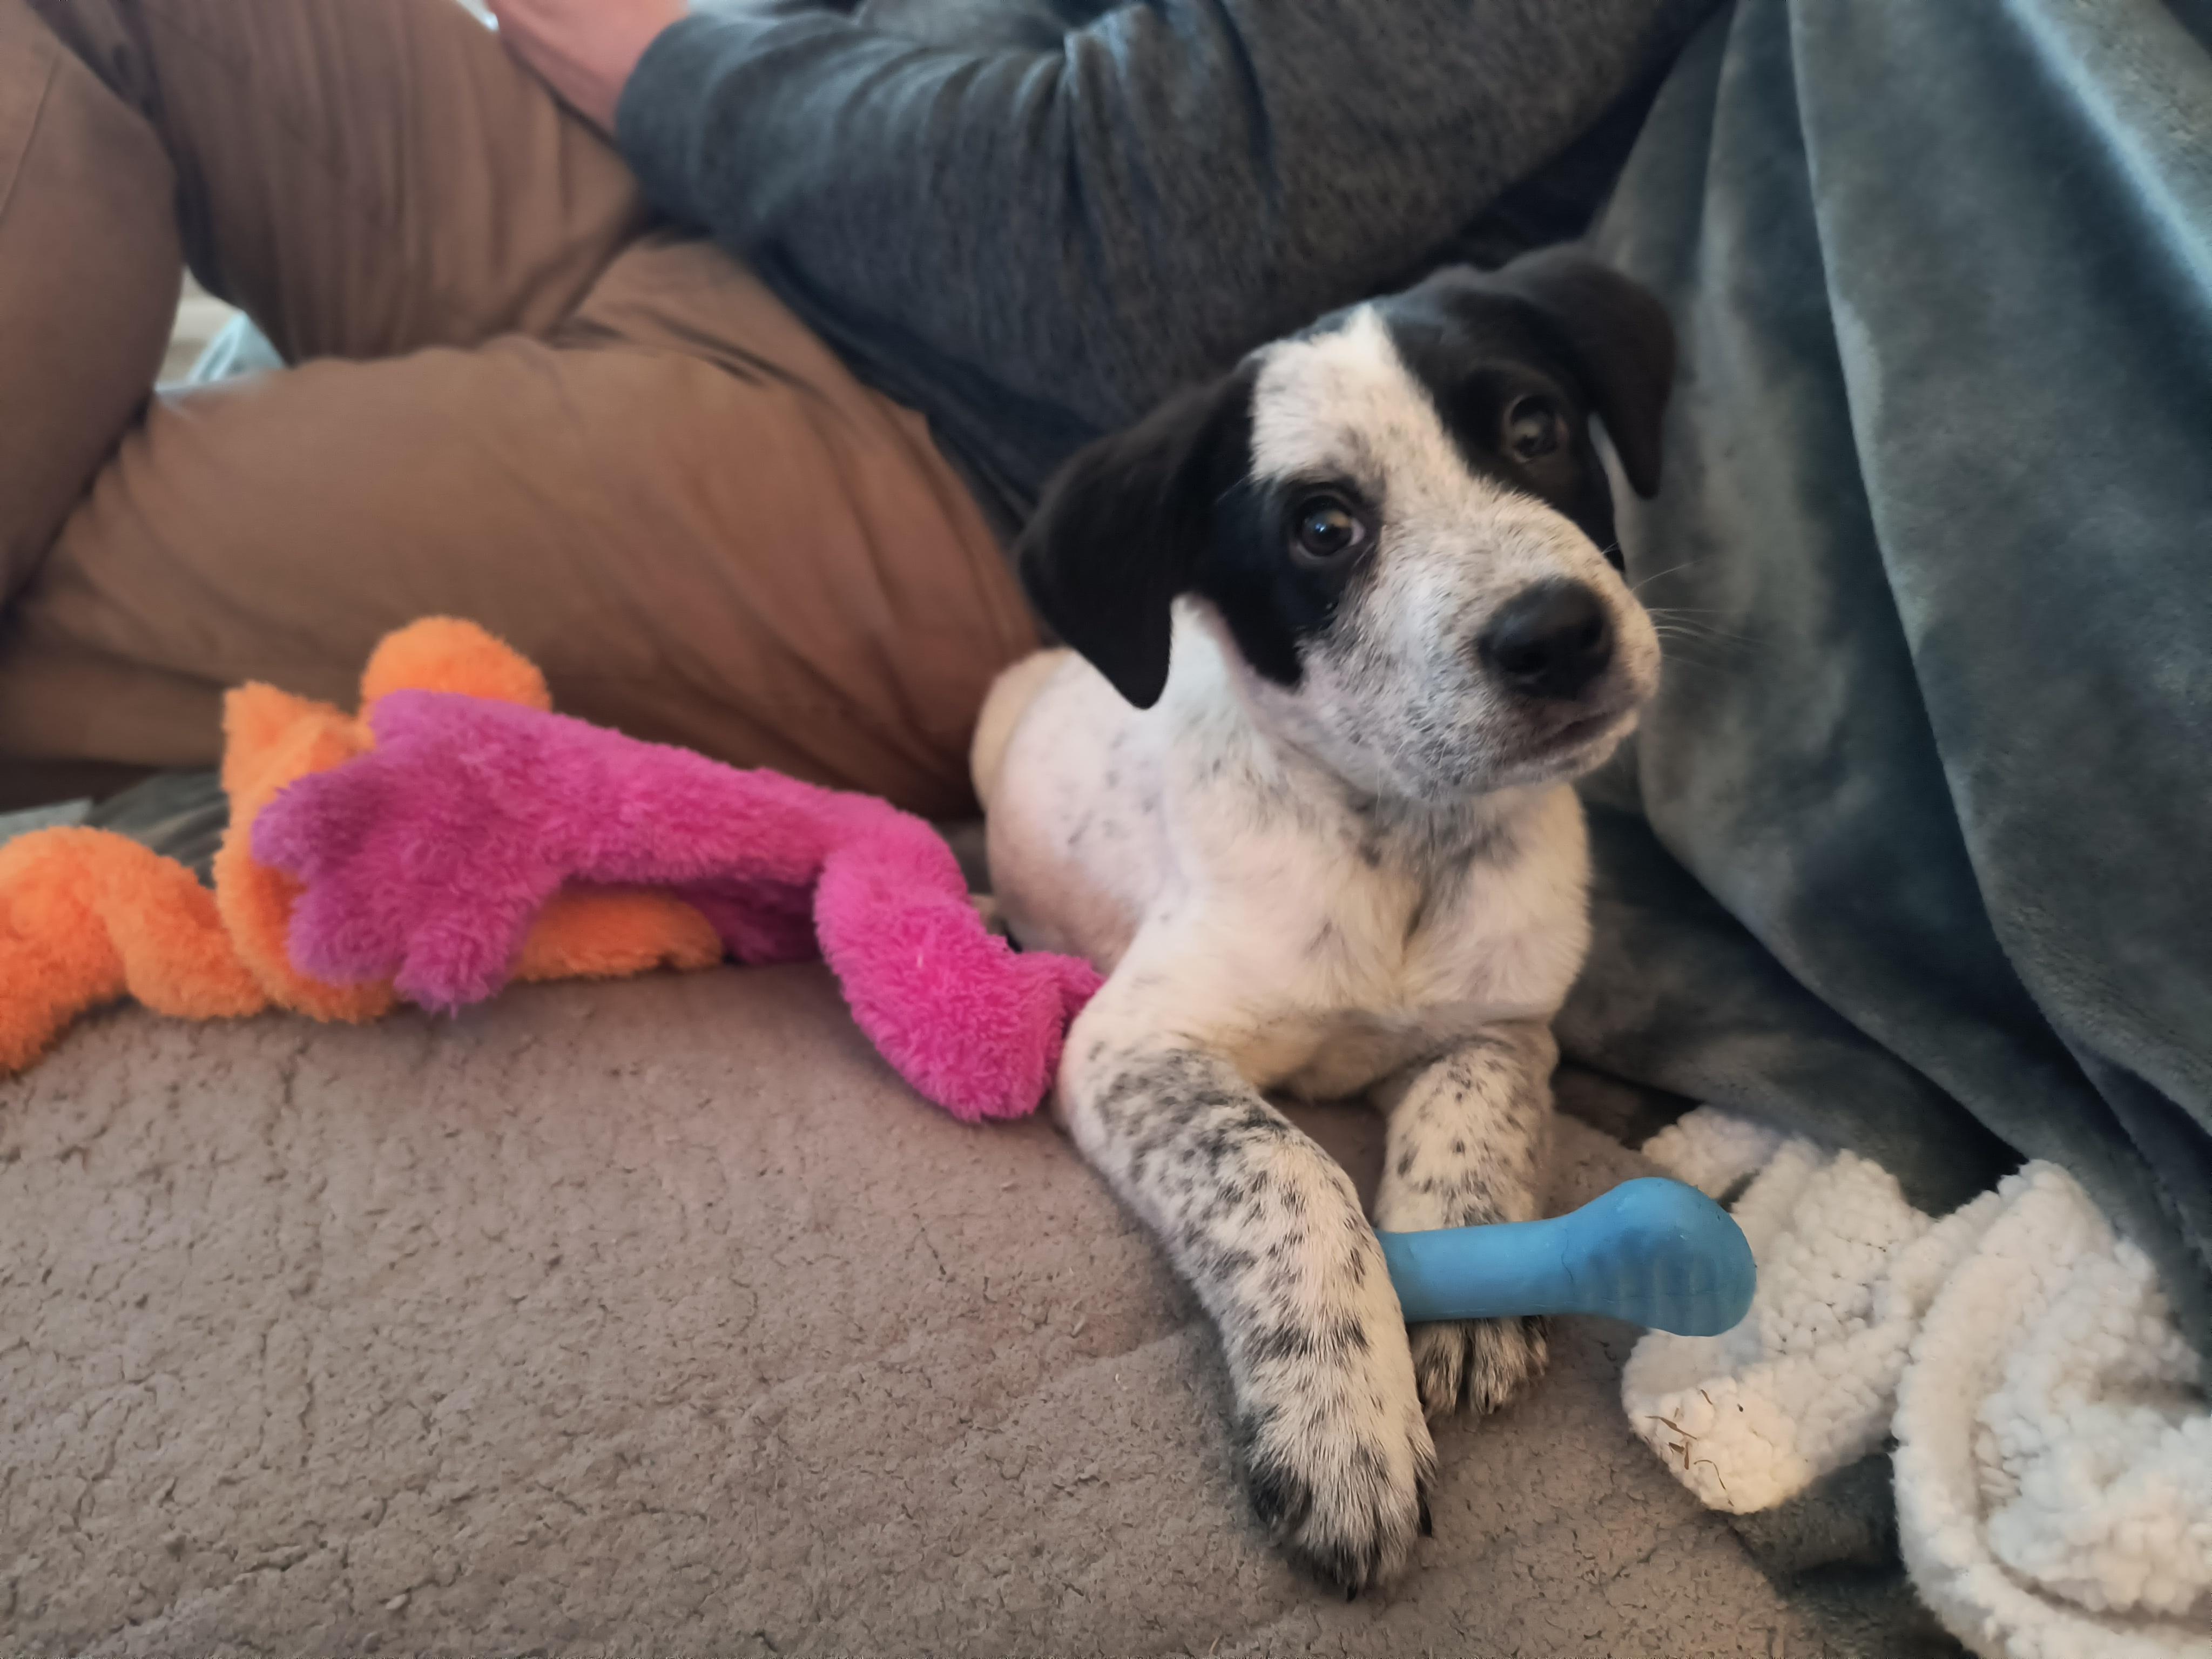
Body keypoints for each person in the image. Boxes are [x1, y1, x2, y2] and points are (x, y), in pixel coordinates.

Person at [0, 0, 1714, 815]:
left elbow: (1112, 251)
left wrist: (679, 62)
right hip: (725, 194)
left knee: (61, 586)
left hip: (935, 452)